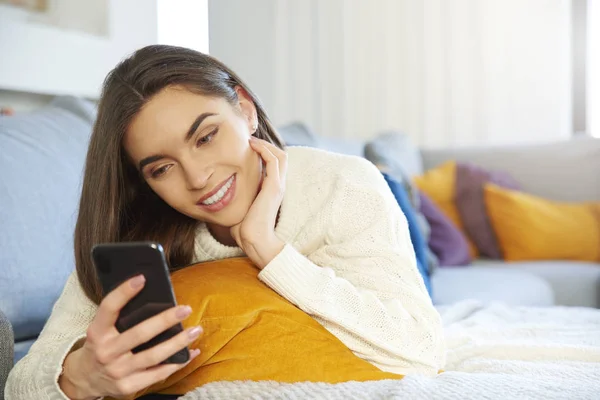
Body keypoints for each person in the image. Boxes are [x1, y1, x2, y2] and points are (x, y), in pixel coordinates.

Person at [5, 45, 445, 399]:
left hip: (368, 206)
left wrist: (268, 250)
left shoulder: (341, 183)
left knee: (416, 236)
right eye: (161, 168)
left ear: (245, 110)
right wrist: (78, 376)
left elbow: (419, 351)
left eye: (206, 136)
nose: (197, 178)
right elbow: (19, 383)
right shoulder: (140, 229)